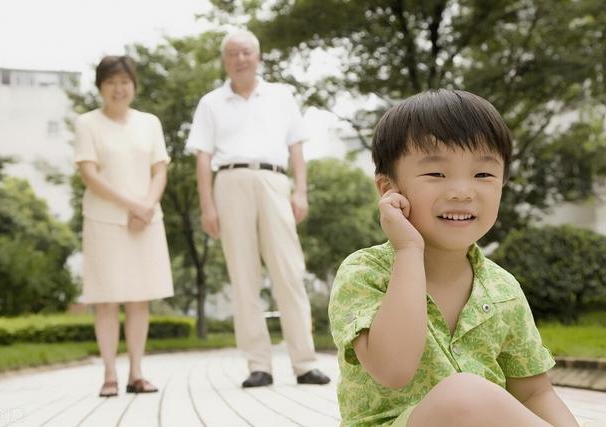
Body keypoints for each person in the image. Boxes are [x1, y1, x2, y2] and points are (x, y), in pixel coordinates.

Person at [329, 90, 579, 426]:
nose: (462, 191)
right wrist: (408, 250)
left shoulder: (502, 288)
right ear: (390, 189)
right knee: (463, 396)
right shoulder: (364, 273)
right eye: (436, 174)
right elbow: (393, 369)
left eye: (483, 175)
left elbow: (535, 393)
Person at [186, 30, 330, 388]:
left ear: (258, 57)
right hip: (229, 182)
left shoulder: (280, 96)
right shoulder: (210, 103)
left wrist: (301, 191)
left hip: (274, 180)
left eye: (246, 52)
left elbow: (296, 146)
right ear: (224, 60)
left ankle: (305, 362)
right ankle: (258, 365)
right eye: (233, 53)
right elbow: (202, 157)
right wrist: (207, 206)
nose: (240, 58)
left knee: (289, 271)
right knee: (243, 275)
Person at [74, 55, 174, 397]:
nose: (119, 89)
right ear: (101, 87)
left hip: (146, 222)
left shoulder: (149, 122)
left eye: (124, 82)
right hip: (105, 222)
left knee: (139, 299)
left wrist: (146, 206)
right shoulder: (87, 123)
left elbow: (159, 169)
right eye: (111, 82)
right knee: (106, 299)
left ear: (134, 85)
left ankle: (136, 372)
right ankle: (108, 375)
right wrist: (133, 205)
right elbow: (89, 173)